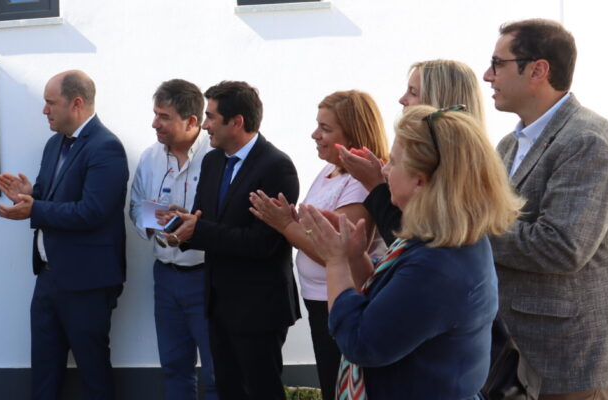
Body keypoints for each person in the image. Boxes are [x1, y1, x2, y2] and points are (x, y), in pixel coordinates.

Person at [300, 105, 522, 399]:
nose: (384, 170)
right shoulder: (444, 236)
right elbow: (388, 311)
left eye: (392, 162)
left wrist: (336, 262)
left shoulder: (438, 264)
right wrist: (355, 256)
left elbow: (362, 343)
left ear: (420, 181)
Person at [482, 19, 608, 398]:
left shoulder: (587, 140)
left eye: (498, 63)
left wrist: (470, 227)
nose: (487, 75)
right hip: (512, 357)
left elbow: (562, 245)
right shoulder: (510, 143)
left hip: (568, 365)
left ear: (538, 70)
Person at [0, 70, 128, 400]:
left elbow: (92, 211)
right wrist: (31, 195)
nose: (44, 110)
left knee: (94, 374)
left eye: (50, 103)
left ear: (76, 103)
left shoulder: (106, 147)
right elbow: (53, 198)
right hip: (48, 280)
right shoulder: (54, 144)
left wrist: (34, 209)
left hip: (87, 283)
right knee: (43, 372)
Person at [248, 90, 388, 400]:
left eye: (325, 128)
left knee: (343, 388)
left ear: (353, 133)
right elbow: (314, 228)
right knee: (331, 385)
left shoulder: (358, 179)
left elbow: (337, 251)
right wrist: (293, 221)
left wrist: (284, 223)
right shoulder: (330, 170)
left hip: (341, 299)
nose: (315, 134)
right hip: (319, 299)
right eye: (318, 126)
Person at [164, 80, 299, 399]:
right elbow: (205, 220)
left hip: (258, 307)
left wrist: (199, 230)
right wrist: (180, 226)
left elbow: (263, 243)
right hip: (218, 302)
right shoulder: (213, 161)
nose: (205, 124)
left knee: (261, 390)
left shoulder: (276, 167)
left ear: (236, 122)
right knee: (227, 390)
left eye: (211, 117)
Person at [127, 79, 217, 400]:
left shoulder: (216, 156)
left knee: (216, 372)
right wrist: (154, 221)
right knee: (174, 368)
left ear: (191, 121)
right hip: (165, 276)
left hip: (207, 278)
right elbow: (136, 205)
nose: (155, 123)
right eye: (155, 114)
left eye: (164, 116)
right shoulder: (151, 157)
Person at [338, 59, 486, 244]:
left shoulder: (458, 176)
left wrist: (376, 185)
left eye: (413, 92)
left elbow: (411, 241)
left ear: (438, 101)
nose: (402, 100)